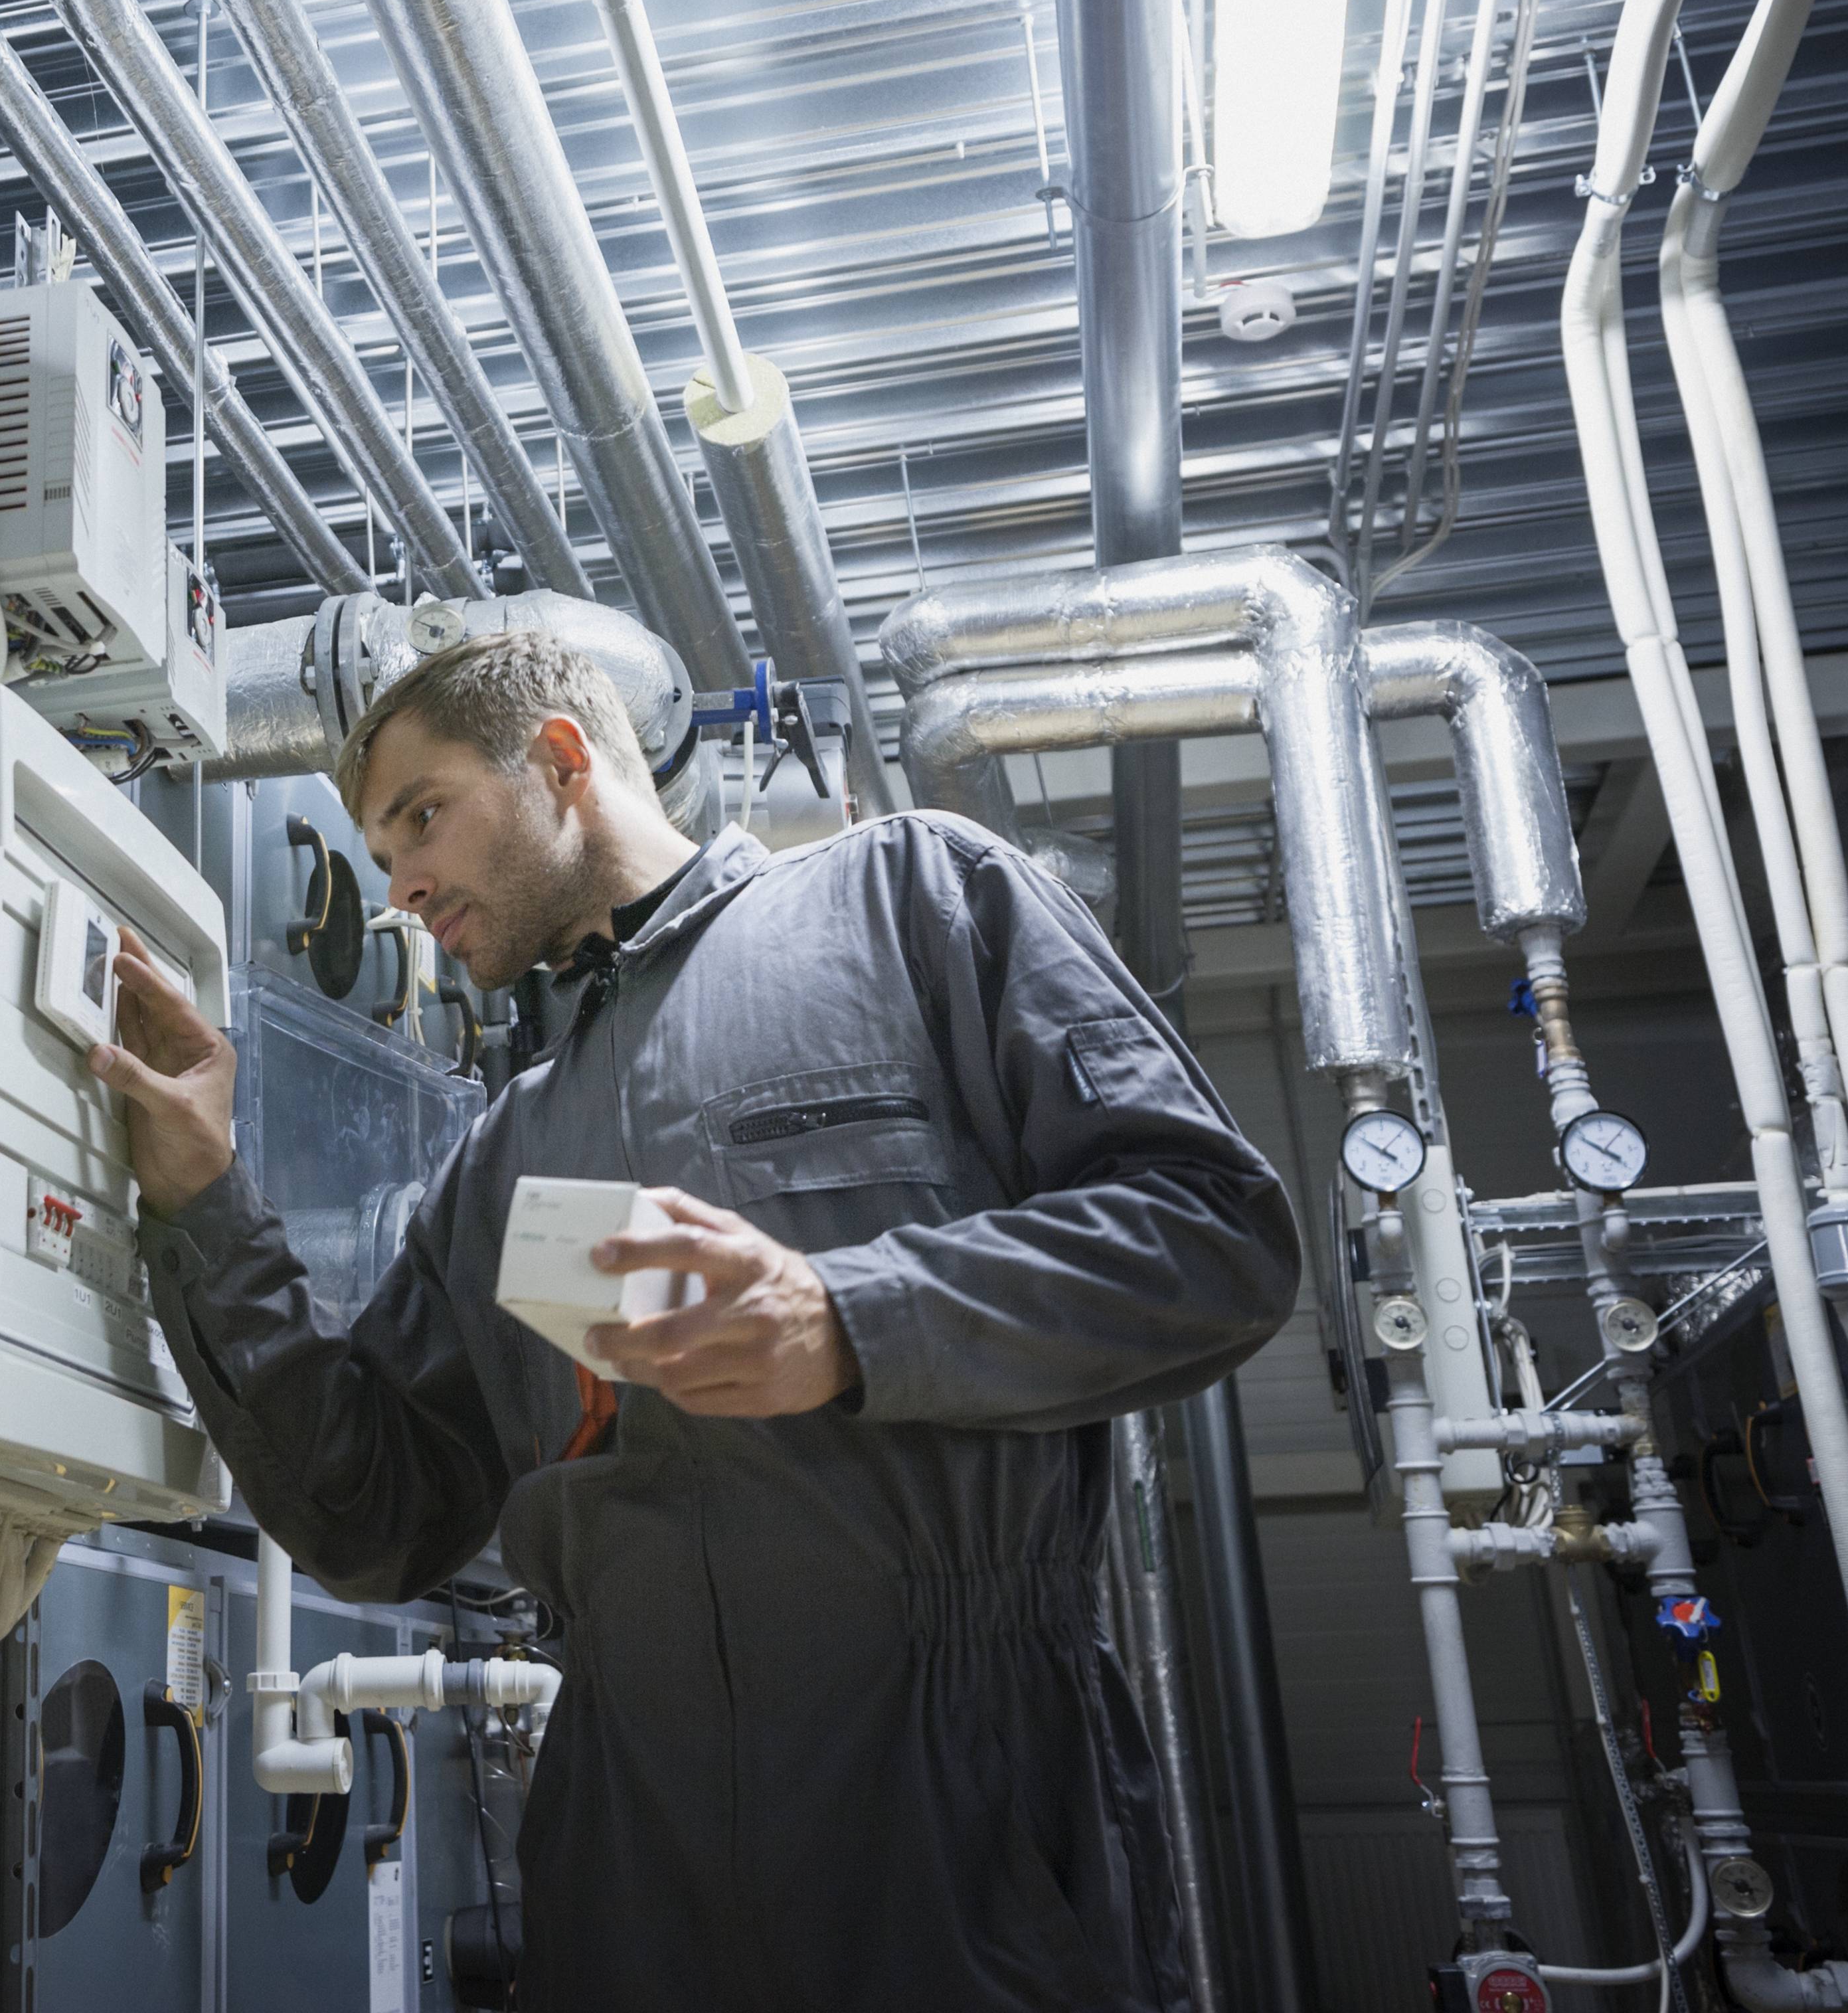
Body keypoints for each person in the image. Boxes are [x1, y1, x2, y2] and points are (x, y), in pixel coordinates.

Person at [92, 630, 1300, 2011]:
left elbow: (1214, 1232)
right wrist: (205, 1200)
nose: (403, 884)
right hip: (629, 1841)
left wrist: (848, 1316)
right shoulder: (505, 1158)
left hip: (959, 1817)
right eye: (379, 856)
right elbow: (371, 1511)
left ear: (558, 761)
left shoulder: (909, 901)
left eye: (421, 817)